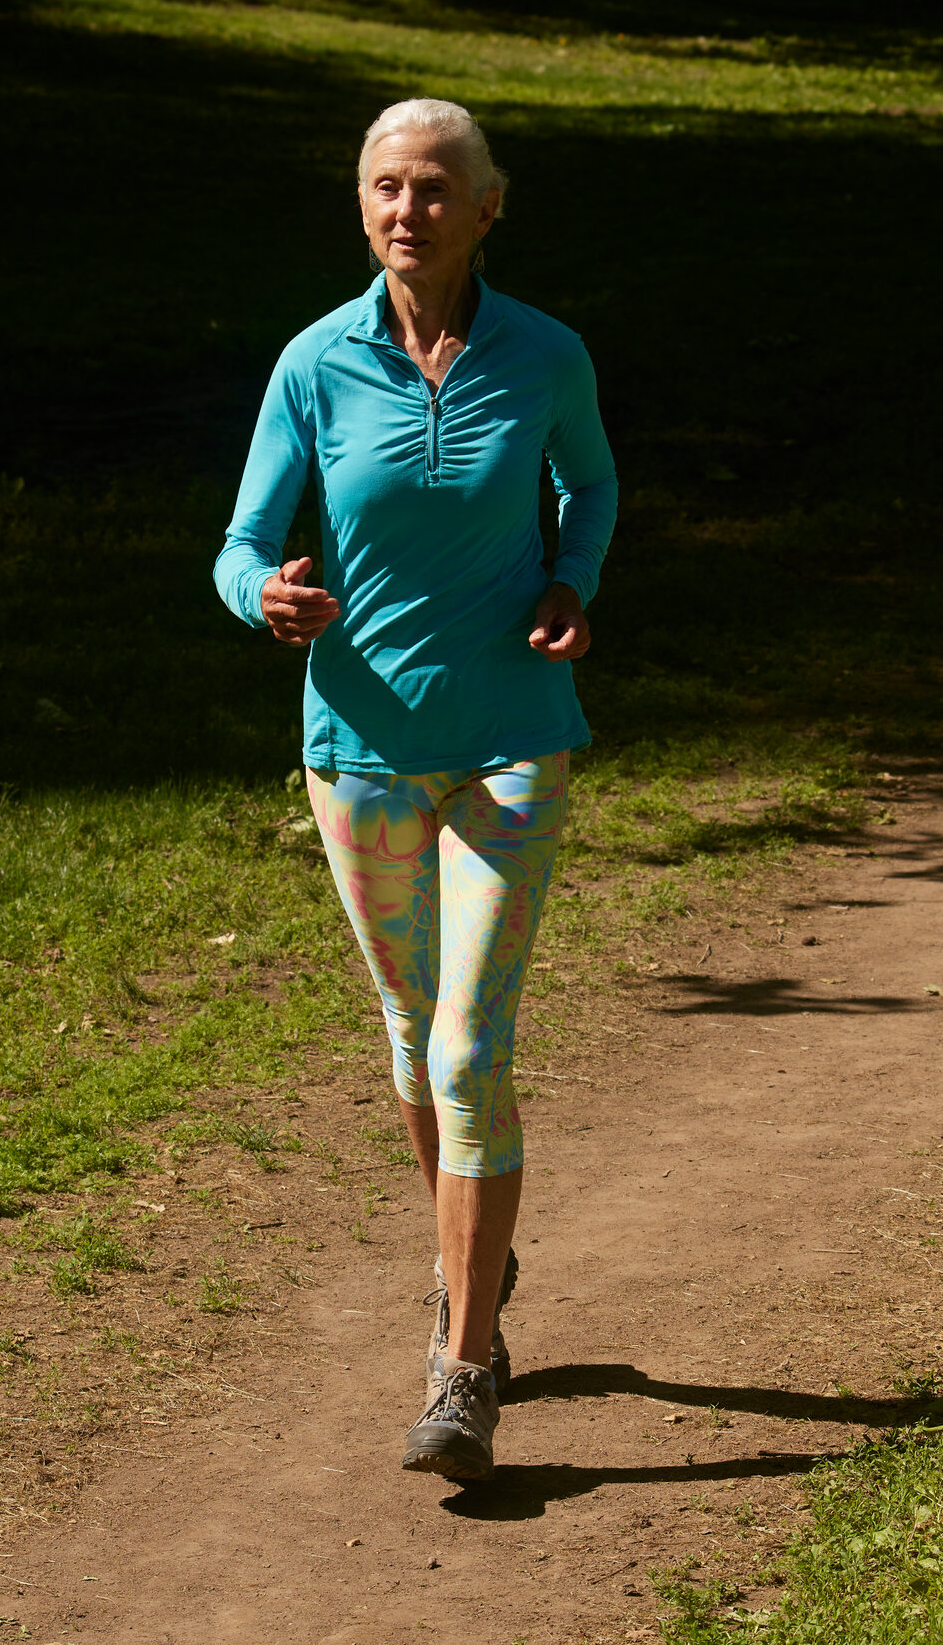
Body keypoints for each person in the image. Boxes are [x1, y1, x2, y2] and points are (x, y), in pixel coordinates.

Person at [213, 98, 617, 1481]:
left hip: (513, 740)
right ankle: (478, 1259)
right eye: (387, 186)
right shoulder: (314, 365)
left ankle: (462, 1359)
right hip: (361, 750)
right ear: (362, 204)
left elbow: (593, 488)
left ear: (487, 207)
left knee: (465, 1049)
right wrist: (258, 592)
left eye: (436, 188)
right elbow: (243, 536)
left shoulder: (546, 355)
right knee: (406, 1033)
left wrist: (574, 581)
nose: (409, 209)